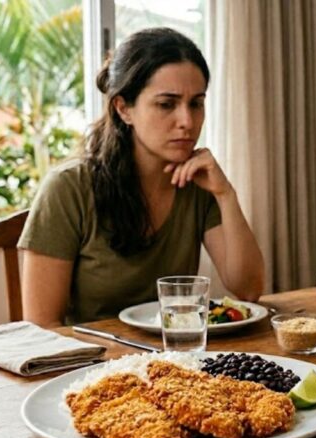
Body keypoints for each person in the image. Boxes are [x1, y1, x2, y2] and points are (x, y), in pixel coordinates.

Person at [18, 28, 264, 327]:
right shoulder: (68, 188)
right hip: (92, 366)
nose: (187, 122)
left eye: (196, 103)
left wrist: (226, 194)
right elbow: (42, 327)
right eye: (166, 104)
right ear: (124, 109)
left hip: (177, 362)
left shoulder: (199, 183)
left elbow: (249, 289)